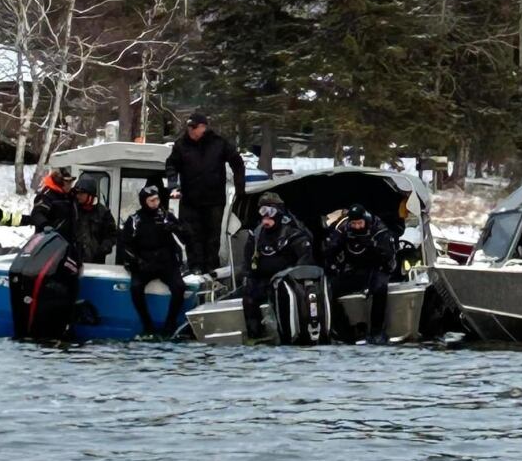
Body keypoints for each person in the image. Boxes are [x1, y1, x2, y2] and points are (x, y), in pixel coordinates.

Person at [165, 111, 246, 275]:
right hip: (190, 199)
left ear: (203, 127)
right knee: (191, 235)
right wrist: (173, 185)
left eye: (195, 127)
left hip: (214, 199)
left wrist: (240, 188)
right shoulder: (181, 145)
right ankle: (195, 266)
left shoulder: (219, 143)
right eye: (190, 127)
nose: (192, 131)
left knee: (212, 236)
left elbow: (237, 162)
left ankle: (211, 267)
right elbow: (171, 165)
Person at [241, 193, 314, 338]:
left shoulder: (293, 234)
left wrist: (287, 277)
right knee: (248, 297)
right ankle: (255, 335)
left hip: (286, 282)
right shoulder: (256, 235)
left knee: (282, 296)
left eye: (270, 212)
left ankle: (287, 333)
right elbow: (247, 261)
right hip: (261, 281)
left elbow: (304, 260)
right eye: (263, 212)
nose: (266, 217)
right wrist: (247, 277)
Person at [120, 184, 187, 338]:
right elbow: (126, 244)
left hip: (166, 262)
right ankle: (147, 325)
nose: (156, 203)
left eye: (157, 199)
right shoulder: (135, 220)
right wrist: (136, 261)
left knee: (179, 287)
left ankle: (170, 325)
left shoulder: (166, 217)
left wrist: (174, 228)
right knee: (136, 288)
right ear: (144, 202)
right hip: (144, 262)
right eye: (152, 201)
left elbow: (185, 235)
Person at [324, 204, 397, 342]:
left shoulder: (378, 230)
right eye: (354, 223)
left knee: (380, 288)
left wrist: (372, 245)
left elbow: (388, 256)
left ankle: (376, 331)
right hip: (355, 268)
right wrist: (334, 266)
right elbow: (330, 251)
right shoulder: (344, 229)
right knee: (329, 288)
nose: (357, 226)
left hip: (378, 268)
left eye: (359, 223)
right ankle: (342, 328)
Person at [29, 167, 79, 250]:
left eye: (71, 182)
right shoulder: (47, 195)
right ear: (59, 182)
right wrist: (45, 225)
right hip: (49, 242)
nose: (70, 185)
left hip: (67, 242)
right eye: (67, 182)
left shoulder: (69, 196)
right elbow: (37, 213)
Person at [73, 174, 117, 264]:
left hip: (96, 262)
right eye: (77, 193)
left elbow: (113, 235)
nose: (78, 196)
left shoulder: (103, 212)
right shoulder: (73, 209)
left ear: (90, 194)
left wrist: (104, 248)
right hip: (74, 261)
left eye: (81, 193)